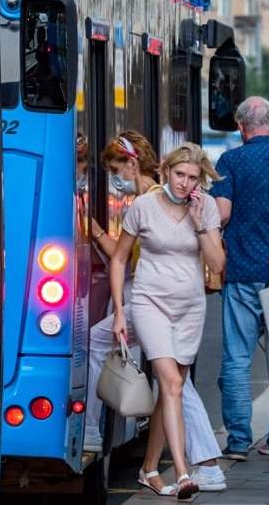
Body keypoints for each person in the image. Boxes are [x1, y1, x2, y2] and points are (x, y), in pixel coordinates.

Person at [107, 142, 225, 500]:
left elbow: (217, 265)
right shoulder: (142, 206)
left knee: (169, 392)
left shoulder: (205, 210)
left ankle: (148, 469)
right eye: (179, 175)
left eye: (193, 177)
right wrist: (119, 310)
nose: (185, 183)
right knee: (171, 383)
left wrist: (200, 224)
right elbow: (119, 259)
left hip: (190, 308)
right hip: (149, 303)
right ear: (166, 171)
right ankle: (185, 472)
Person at [210, 96, 269, 462]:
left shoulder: (231, 161)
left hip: (242, 271)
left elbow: (222, 215)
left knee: (236, 359)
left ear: (241, 126)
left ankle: (239, 442)